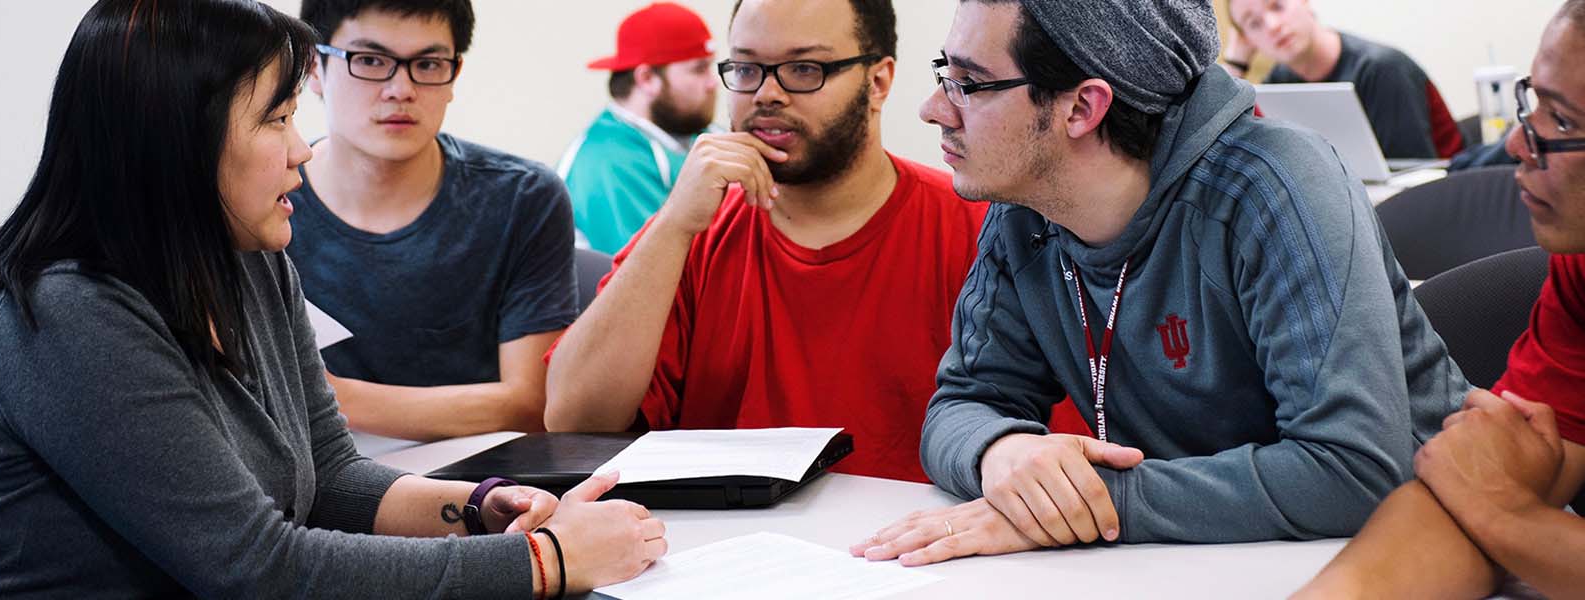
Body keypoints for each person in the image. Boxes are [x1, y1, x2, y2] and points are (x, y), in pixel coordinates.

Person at [0, 1, 659, 596]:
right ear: (177, 140)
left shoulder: (251, 260)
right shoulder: (68, 312)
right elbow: (256, 568)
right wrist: (544, 563)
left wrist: (473, 508)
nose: (302, 149)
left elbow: (331, 476)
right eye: (275, 119)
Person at [850, 0, 1465, 566]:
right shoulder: (1027, 210)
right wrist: (1001, 452)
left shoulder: (1278, 187)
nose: (934, 108)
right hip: (1199, 564)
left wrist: (1089, 505)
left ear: (1082, 107)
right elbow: (961, 404)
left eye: (969, 84)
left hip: (1417, 554)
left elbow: (1354, 470)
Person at [545, 0, 1088, 483]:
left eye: (804, 69)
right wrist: (673, 225)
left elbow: (1053, 455)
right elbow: (574, 421)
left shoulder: (984, 231)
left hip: (927, 558)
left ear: (878, 83)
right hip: (721, 561)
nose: (767, 94)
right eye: (746, 68)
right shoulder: (695, 230)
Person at [1298, 1, 1585, 597]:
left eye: (1563, 123)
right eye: (1533, 106)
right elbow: (1470, 489)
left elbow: (1490, 503)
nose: (1514, 145)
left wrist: (1509, 519)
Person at [288, 0, 579, 441]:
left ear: (454, 75)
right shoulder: (264, 203)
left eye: (427, 64)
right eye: (369, 60)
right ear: (313, 68)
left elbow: (533, 403)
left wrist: (321, 395)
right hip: (316, 487)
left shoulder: (523, 198)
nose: (400, 89)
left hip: (485, 483)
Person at [562, 2, 723, 254]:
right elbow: (652, 270)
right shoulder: (607, 161)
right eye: (699, 69)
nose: (713, 82)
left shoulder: (699, 132)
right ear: (647, 79)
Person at [1222, 0, 1464, 159]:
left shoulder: (1381, 68)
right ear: (1248, 40)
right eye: (1254, 24)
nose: (1272, 26)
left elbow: (1415, 175)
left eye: (1277, 6)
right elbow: (1225, 138)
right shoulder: (1277, 83)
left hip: (1447, 201)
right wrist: (1235, 62)